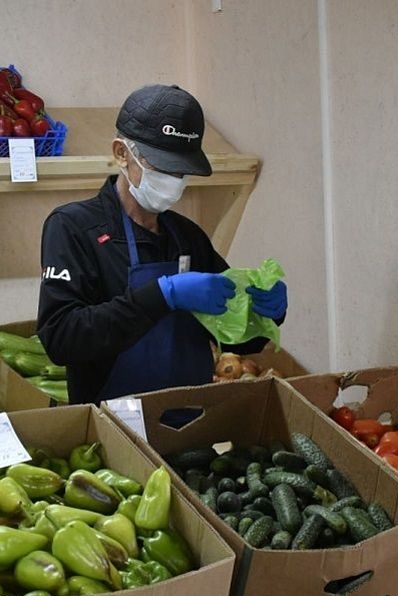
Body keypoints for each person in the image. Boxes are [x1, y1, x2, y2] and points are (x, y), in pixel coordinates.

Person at [36, 84, 287, 404]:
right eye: (162, 166)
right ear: (121, 153)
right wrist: (162, 295)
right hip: (112, 429)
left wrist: (263, 315)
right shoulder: (73, 228)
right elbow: (62, 338)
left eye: (181, 170)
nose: (173, 180)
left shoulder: (188, 238)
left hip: (189, 424)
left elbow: (235, 341)